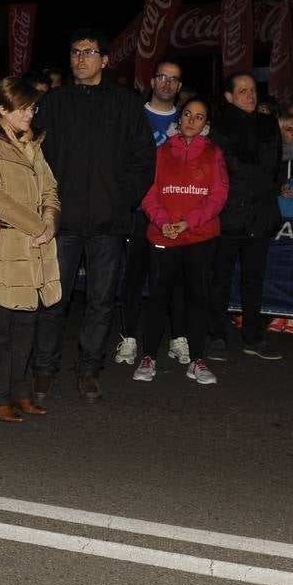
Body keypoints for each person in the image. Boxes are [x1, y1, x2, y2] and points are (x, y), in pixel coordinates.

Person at [30, 28, 154, 401]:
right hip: (62, 222)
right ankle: (44, 368)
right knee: (55, 298)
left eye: (88, 51)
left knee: (101, 300)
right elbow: (34, 155)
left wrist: (122, 198)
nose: (79, 58)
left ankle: (89, 369)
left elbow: (143, 159)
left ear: (104, 59)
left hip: (108, 222)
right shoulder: (53, 103)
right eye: (74, 51)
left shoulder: (125, 104)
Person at [0, 77, 61, 421]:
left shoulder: (33, 143)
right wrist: (39, 226)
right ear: (2, 109)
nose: (31, 113)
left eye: (33, 107)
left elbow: (51, 189)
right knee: (0, 326)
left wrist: (50, 223)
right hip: (5, 246)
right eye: (25, 108)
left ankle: (18, 391)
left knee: (27, 323)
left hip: (34, 248)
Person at [134, 98, 228, 385]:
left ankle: (198, 360)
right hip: (163, 235)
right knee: (158, 297)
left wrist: (189, 222)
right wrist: (163, 222)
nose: (191, 120)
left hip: (200, 237)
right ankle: (148, 356)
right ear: (180, 117)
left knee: (198, 297)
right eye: (187, 114)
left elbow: (218, 195)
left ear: (205, 124)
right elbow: (148, 192)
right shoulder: (160, 152)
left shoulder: (214, 153)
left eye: (199, 117)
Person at [207, 72, 283, 360]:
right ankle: (216, 335)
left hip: (260, 216)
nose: (251, 96)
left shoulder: (268, 124)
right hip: (229, 215)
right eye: (243, 91)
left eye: (253, 90)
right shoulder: (220, 127)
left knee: (255, 279)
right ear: (229, 96)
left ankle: (253, 336)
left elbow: (273, 167)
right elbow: (223, 170)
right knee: (221, 278)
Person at [116, 60, 186, 366]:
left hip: (175, 214)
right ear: (153, 81)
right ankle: (129, 337)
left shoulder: (189, 119)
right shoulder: (135, 116)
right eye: (162, 77)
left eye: (174, 79)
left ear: (179, 86)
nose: (168, 83)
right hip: (139, 211)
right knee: (133, 275)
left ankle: (178, 337)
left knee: (173, 278)